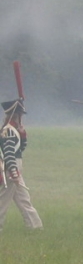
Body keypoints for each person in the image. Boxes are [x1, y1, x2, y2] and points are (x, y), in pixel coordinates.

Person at [0, 99, 42, 231]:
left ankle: (35, 227)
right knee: (3, 201)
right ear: (15, 115)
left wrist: (23, 135)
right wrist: (14, 173)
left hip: (16, 169)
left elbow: (20, 149)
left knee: (24, 200)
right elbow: (9, 154)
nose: (22, 117)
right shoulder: (9, 130)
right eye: (20, 114)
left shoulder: (15, 130)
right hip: (11, 169)